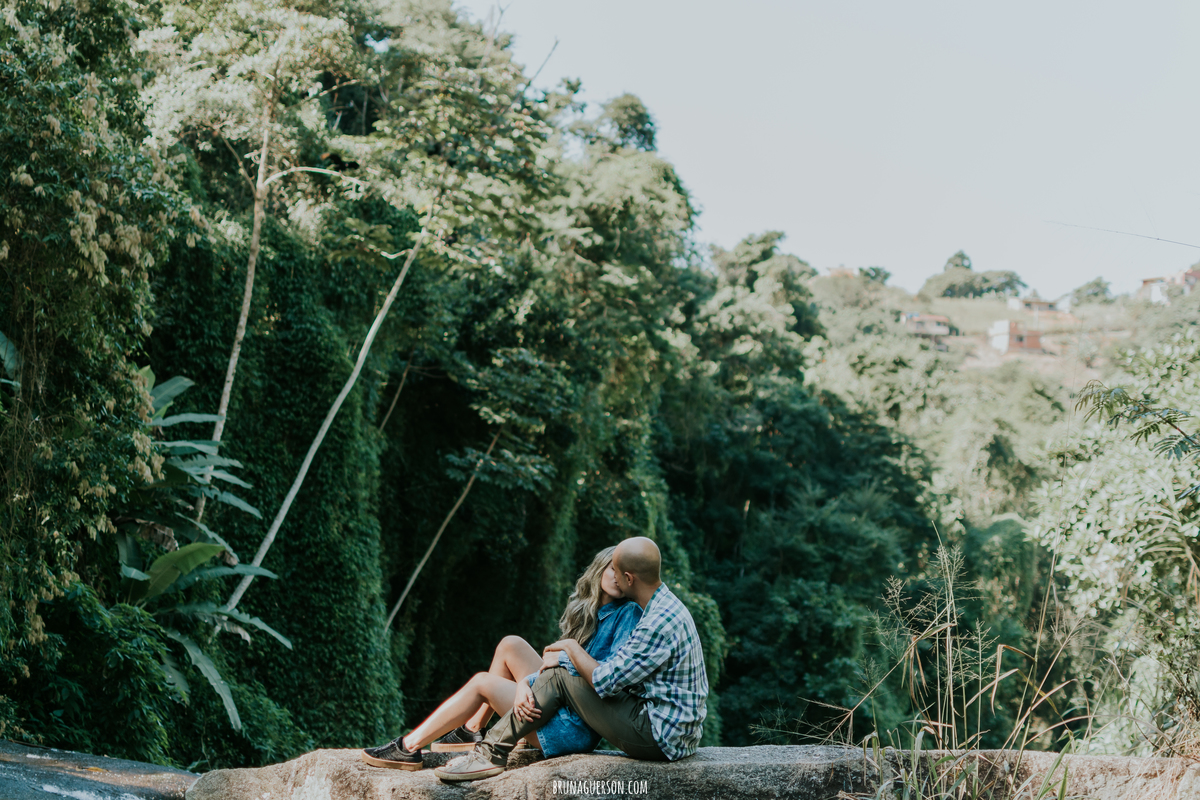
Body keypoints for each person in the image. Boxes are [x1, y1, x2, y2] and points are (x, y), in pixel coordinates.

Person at [433, 536, 709, 783]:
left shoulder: (654, 623)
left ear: (628, 577)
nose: (612, 576)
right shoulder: (668, 606)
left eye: (615, 569)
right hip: (674, 733)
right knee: (553, 669)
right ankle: (486, 744)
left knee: (559, 674)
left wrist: (570, 648)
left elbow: (606, 681)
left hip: (658, 737)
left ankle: (490, 753)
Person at [361, 546, 641, 770]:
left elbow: (605, 675)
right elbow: (551, 661)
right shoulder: (589, 612)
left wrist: (528, 683)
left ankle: (408, 748)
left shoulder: (627, 613)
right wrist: (531, 681)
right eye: (612, 568)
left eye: (624, 572)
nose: (618, 576)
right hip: (558, 704)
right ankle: (472, 730)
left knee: (483, 683)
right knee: (511, 644)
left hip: (571, 727)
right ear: (599, 569)